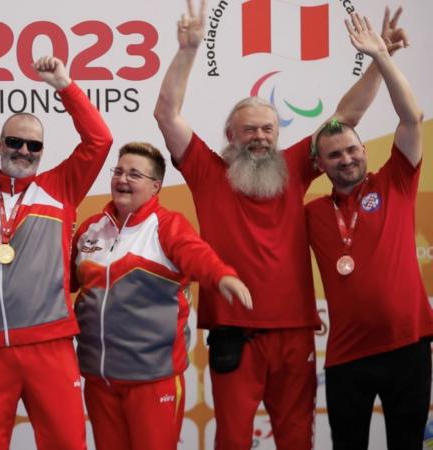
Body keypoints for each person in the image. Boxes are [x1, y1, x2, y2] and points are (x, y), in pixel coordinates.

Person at [152, 1, 408, 447]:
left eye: (268, 129)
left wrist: (378, 59)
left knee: (296, 438)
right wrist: (188, 51)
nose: (260, 138)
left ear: (279, 133)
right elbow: (167, 115)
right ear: (231, 137)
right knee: (232, 438)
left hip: (294, 334)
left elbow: (343, 120)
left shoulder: (293, 166)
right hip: (235, 333)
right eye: (249, 130)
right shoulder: (207, 171)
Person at [0, 55, 113, 449]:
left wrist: (64, 85)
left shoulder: (61, 187)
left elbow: (99, 140)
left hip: (49, 345)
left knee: (67, 443)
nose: (23, 150)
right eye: (14, 142)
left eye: (33, 145)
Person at [70, 142, 252, 450]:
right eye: (118, 171)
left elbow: (196, 254)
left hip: (153, 382)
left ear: (155, 187)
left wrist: (221, 275)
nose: (122, 179)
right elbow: (61, 281)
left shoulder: (167, 226)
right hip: (99, 381)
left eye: (134, 174)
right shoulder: (91, 228)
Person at [306, 12, 431, 449]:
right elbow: (343, 112)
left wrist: (381, 55)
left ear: (364, 150)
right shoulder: (312, 212)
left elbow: (412, 117)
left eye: (352, 150)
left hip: (408, 347)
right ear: (319, 165)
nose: (346, 159)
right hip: (347, 356)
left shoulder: (395, 181)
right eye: (334, 154)